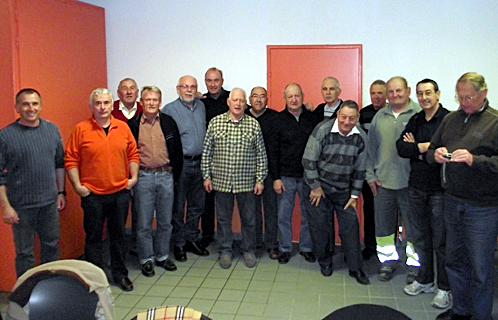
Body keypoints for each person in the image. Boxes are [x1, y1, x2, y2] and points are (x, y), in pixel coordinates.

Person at [428, 72, 498, 320]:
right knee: (455, 260)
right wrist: (436, 154)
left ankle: (481, 316)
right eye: (460, 96)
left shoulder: (494, 121)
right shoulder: (450, 119)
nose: (463, 102)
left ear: (484, 93)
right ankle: (460, 311)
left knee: (480, 267)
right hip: (452, 200)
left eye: (469, 97)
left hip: (483, 207)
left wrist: (474, 159)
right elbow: (432, 149)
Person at [65, 88, 139, 292]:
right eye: (98, 103)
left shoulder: (122, 128)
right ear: (91, 106)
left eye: (106, 103)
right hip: (93, 196)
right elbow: (71, 159)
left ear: (111, 105)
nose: (102, 107)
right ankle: (95, 280)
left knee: (118, 237)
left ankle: (120, 274)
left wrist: (133, 178)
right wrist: (78, 187)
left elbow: (133, 154)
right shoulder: (81, 129)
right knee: (93, 238)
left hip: (120, 193)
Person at [396, 79, 451, 309]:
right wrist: (426, 148)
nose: (424, 97)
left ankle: (444, 288)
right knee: (420, 238)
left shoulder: (449, 120)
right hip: (416, 187)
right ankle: (425, 279)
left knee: (441, 241)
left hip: (439, 189)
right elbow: (401, 148)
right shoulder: (416, 119)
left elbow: (447, 152)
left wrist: (418, 148)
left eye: (428, 93)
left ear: (438, 94)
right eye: (420, 93)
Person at [0, 88, 66, 277]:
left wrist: (61, 192)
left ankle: (51, 289)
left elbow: (59, 163)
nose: (31, 108)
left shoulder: (52, 130)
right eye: (25, 104)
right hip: (20, 206)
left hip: (49, 203)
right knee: (24, 254)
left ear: (41, 106)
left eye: (35, 103)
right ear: (17, 107)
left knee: (52, 247)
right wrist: (6, 207)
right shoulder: (5, 136)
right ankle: (26, 296)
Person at [303, 101, 370, 285]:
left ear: (357, 118)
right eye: (343, 117)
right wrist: (315, 186)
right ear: (338, 114)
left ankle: (355, 267)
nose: (347, 122)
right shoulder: (323, 130)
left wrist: (355, 195)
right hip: (319, 189)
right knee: (321, 227)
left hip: (344, 191)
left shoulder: (361, 137)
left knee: (350, 227)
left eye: (351, 118)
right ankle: (325, 262)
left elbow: (360, 169)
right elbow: (308, 160)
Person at [201, 88, 267, 269]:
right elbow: (207, 153)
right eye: (234, 100)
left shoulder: (253, 125)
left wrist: (260, 179)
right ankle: (225, 251)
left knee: (249, 219)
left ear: (245, 104)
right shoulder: (215, 123)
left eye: (241, 101)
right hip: (221, 182)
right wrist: (206, 177)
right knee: (223, 219)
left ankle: (248, 249)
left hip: (246, 183)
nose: (238, 104)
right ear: (228, 102)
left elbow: (261, 155)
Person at [365, 76, 421, 282]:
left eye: (399, 91)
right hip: (383, 185)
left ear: (407, 91)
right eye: (391, 91)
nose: (395, 95)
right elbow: (370, 150)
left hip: (411, 185)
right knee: (383, 230)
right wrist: (370, 176)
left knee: (414, 229)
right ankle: (387, 262)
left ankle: (415, 266)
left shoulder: (419, 115)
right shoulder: (379, 117)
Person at [128, 86, 183, 277]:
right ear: (141, 102)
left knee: (165, 220)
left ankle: (161, 256)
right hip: (143, 177)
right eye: (147, 100)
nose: (151, 103)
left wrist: (174, 175)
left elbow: (177, 151)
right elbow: (127, 153)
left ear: (159, 102)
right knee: (143, 222)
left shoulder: (168, 122)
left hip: (166, 175)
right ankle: (146, 259)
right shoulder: (132, 125)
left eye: (154, 100)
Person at [268, 83, 320, 264]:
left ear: (302, 96)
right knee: (283, 215)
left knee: (308, 214)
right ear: (285, 98)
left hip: (308, 176)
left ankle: (306, 248)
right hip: (285, 176)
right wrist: (275, 178)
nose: (294, 99)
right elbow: (272, 151)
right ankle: (284, 248)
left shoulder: (312, 119)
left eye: (297, 95)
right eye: (290, 96)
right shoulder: (278, 120)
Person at [163, 76, 209, 262]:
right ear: (177, 89)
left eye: (193, 87)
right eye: (185, 86)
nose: (189, 90)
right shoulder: (169, 110)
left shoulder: (201, 106)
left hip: (200, 164)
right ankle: (179, 244)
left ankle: (191, 238)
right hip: (181, 164)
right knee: (178, 206)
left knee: (197, 205)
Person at [245, 86, 280, 259]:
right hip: (248, 174)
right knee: (252, 211)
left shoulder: (275, 117)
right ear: (249, 99)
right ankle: (255, 243)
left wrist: (277, 176)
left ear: (267, 99)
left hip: (270, 173)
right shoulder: (242, 117)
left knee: (271, 210)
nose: (259, 100)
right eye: (255, 96)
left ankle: (272, 244)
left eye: (262, 96)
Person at [110, 77, 143, 255]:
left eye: (132, 88)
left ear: (137, 93)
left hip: (139, 170)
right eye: (125, 88)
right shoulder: (109, 110)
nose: (129, 92)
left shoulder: (145, 110)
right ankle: (117, 250)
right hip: (116, 172)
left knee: (140, 211)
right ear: (118, 93)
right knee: (117, 215)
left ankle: (138, 248)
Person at [199, 67, 230, 248]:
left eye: (216, 80)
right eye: (209, 81)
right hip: (209, 157)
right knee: (207, 201)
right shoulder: (200, 101)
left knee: (226, 203)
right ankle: (207, 235)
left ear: (222, 81)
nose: (212, 84)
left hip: (229, 158)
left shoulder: (230, 99)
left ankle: (225, 238)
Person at [359, 80, 387, 260]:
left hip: (386, 173)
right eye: (373, 93)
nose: (376, 97)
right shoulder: (364, 114)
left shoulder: (391, 114)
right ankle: (370, 247)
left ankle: (385, 249)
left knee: (386, 215)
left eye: (380, 93)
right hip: (367, 172)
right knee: (369, 211)